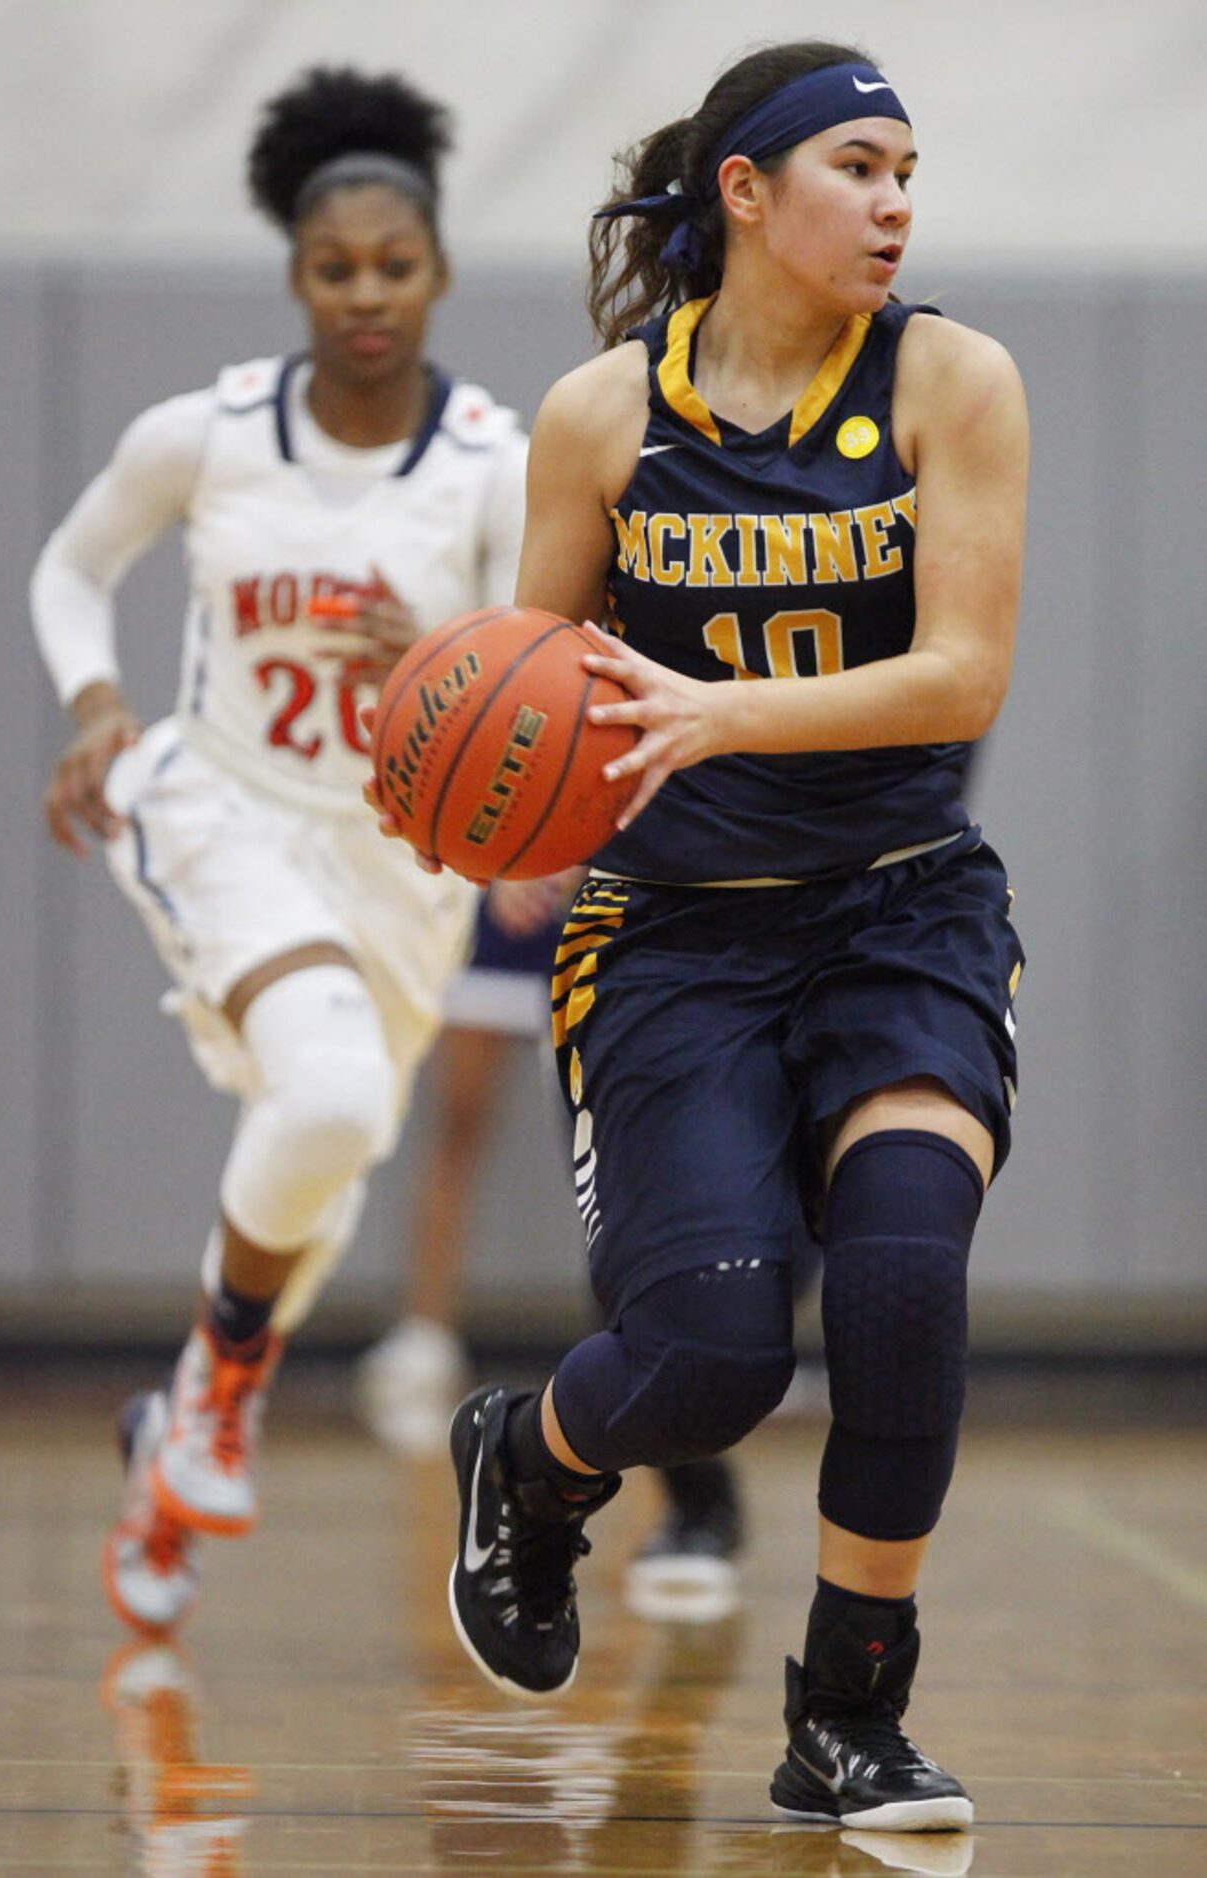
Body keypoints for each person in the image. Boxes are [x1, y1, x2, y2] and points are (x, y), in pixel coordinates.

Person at [372, 39, 1027, 1833]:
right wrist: (476, 813)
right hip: (671, 936)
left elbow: (962, 670)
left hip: (901, 909)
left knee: (900, 1277)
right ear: (743, 190)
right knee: (716, 1357)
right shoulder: (601, 417)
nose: (897, 204)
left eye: (909, 172)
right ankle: (531, 1454)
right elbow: (534, 686)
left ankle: (844, 1712)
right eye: (859, 169)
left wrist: (718, 714)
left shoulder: (948, 382)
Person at [29, 66, 529, 1639]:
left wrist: (444, 650)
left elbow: (539, 659)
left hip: (400, 866)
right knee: (320, 1095)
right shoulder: (210, 433)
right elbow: (68, 565)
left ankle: (169, 1433)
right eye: (335, 267)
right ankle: (222, 1395)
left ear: (436, 272)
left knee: (308, 1191)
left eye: (394, 265)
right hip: (225, 806)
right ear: (297, 275)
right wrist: (99, 701)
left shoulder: (490, 464)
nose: (366, 293)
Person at [352, 874, 762, 1623]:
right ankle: (425, 1332)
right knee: (460, 1121)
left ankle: (635, 1399)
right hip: (520, 877)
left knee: (630, 1161)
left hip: (633, 888)